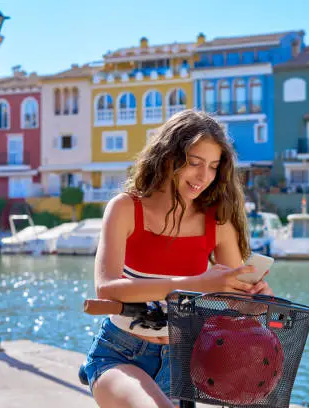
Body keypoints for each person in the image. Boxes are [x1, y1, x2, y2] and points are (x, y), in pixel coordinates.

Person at [80, 109, 275, 408]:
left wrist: (257, 297)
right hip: (121, 353)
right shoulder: (125, 208)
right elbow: (107, 288)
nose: (203, 177)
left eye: (212, 167)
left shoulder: (217, 223)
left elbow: (238, 300)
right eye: (194, 163)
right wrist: (197, 283)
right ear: (167, 157)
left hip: (183, 360)